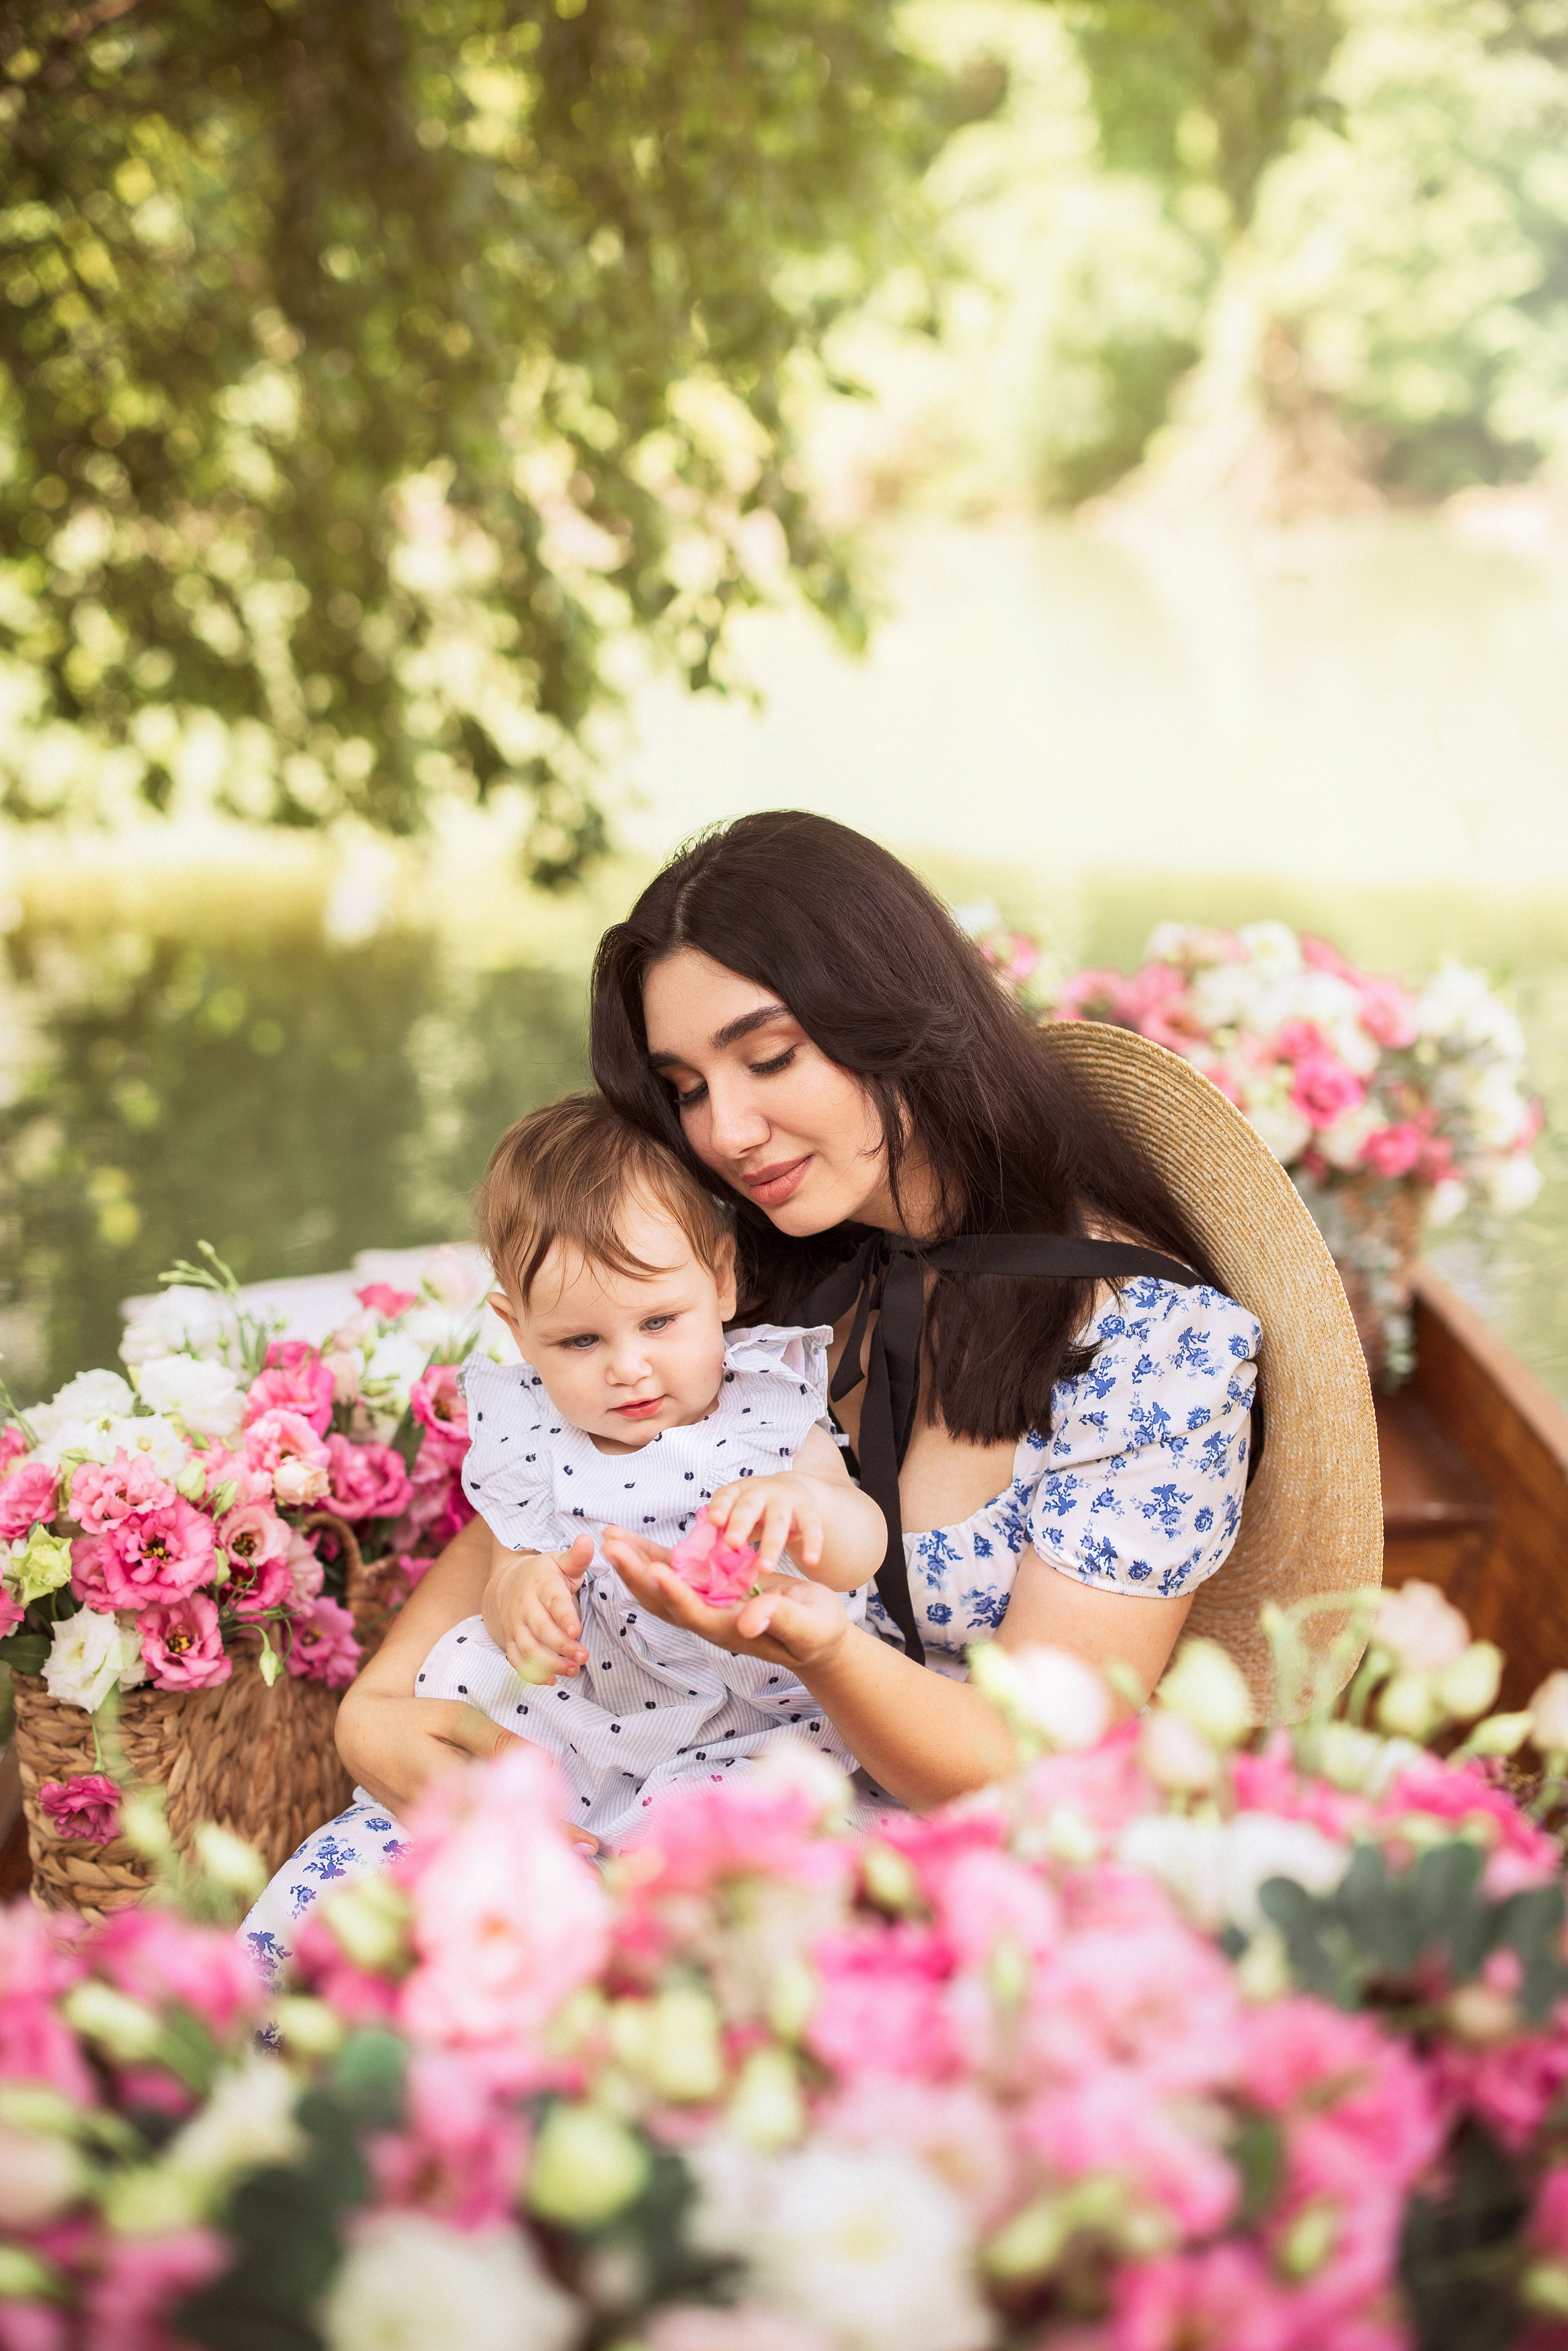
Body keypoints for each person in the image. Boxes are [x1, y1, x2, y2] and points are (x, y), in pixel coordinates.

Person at [329, 812, 1381, 1826]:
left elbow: (1028, 1771)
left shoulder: (1153, 1354)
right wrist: (372, 1711)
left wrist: (822, 1647)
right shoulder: (749, 1258)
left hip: (929, 1861)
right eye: (686, 1086)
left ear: (891, 1014)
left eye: (772, 1056)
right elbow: (561, 1474)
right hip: (652, 1777)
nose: (727, 1132)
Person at [241, 1093, 885, 1974]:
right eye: (580, 1339)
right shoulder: (528, 1430)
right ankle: (275, 2009)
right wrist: (520, 1598)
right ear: (517, 1329)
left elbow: (861, 1540)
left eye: (660, 1321)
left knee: (681, 1893)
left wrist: (807, 1509)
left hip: (737, 1731)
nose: (629, 1366)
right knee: (361, 1878)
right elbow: (510, 1562)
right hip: (562, 1729)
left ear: (723, 1279)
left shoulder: (765, 1407)